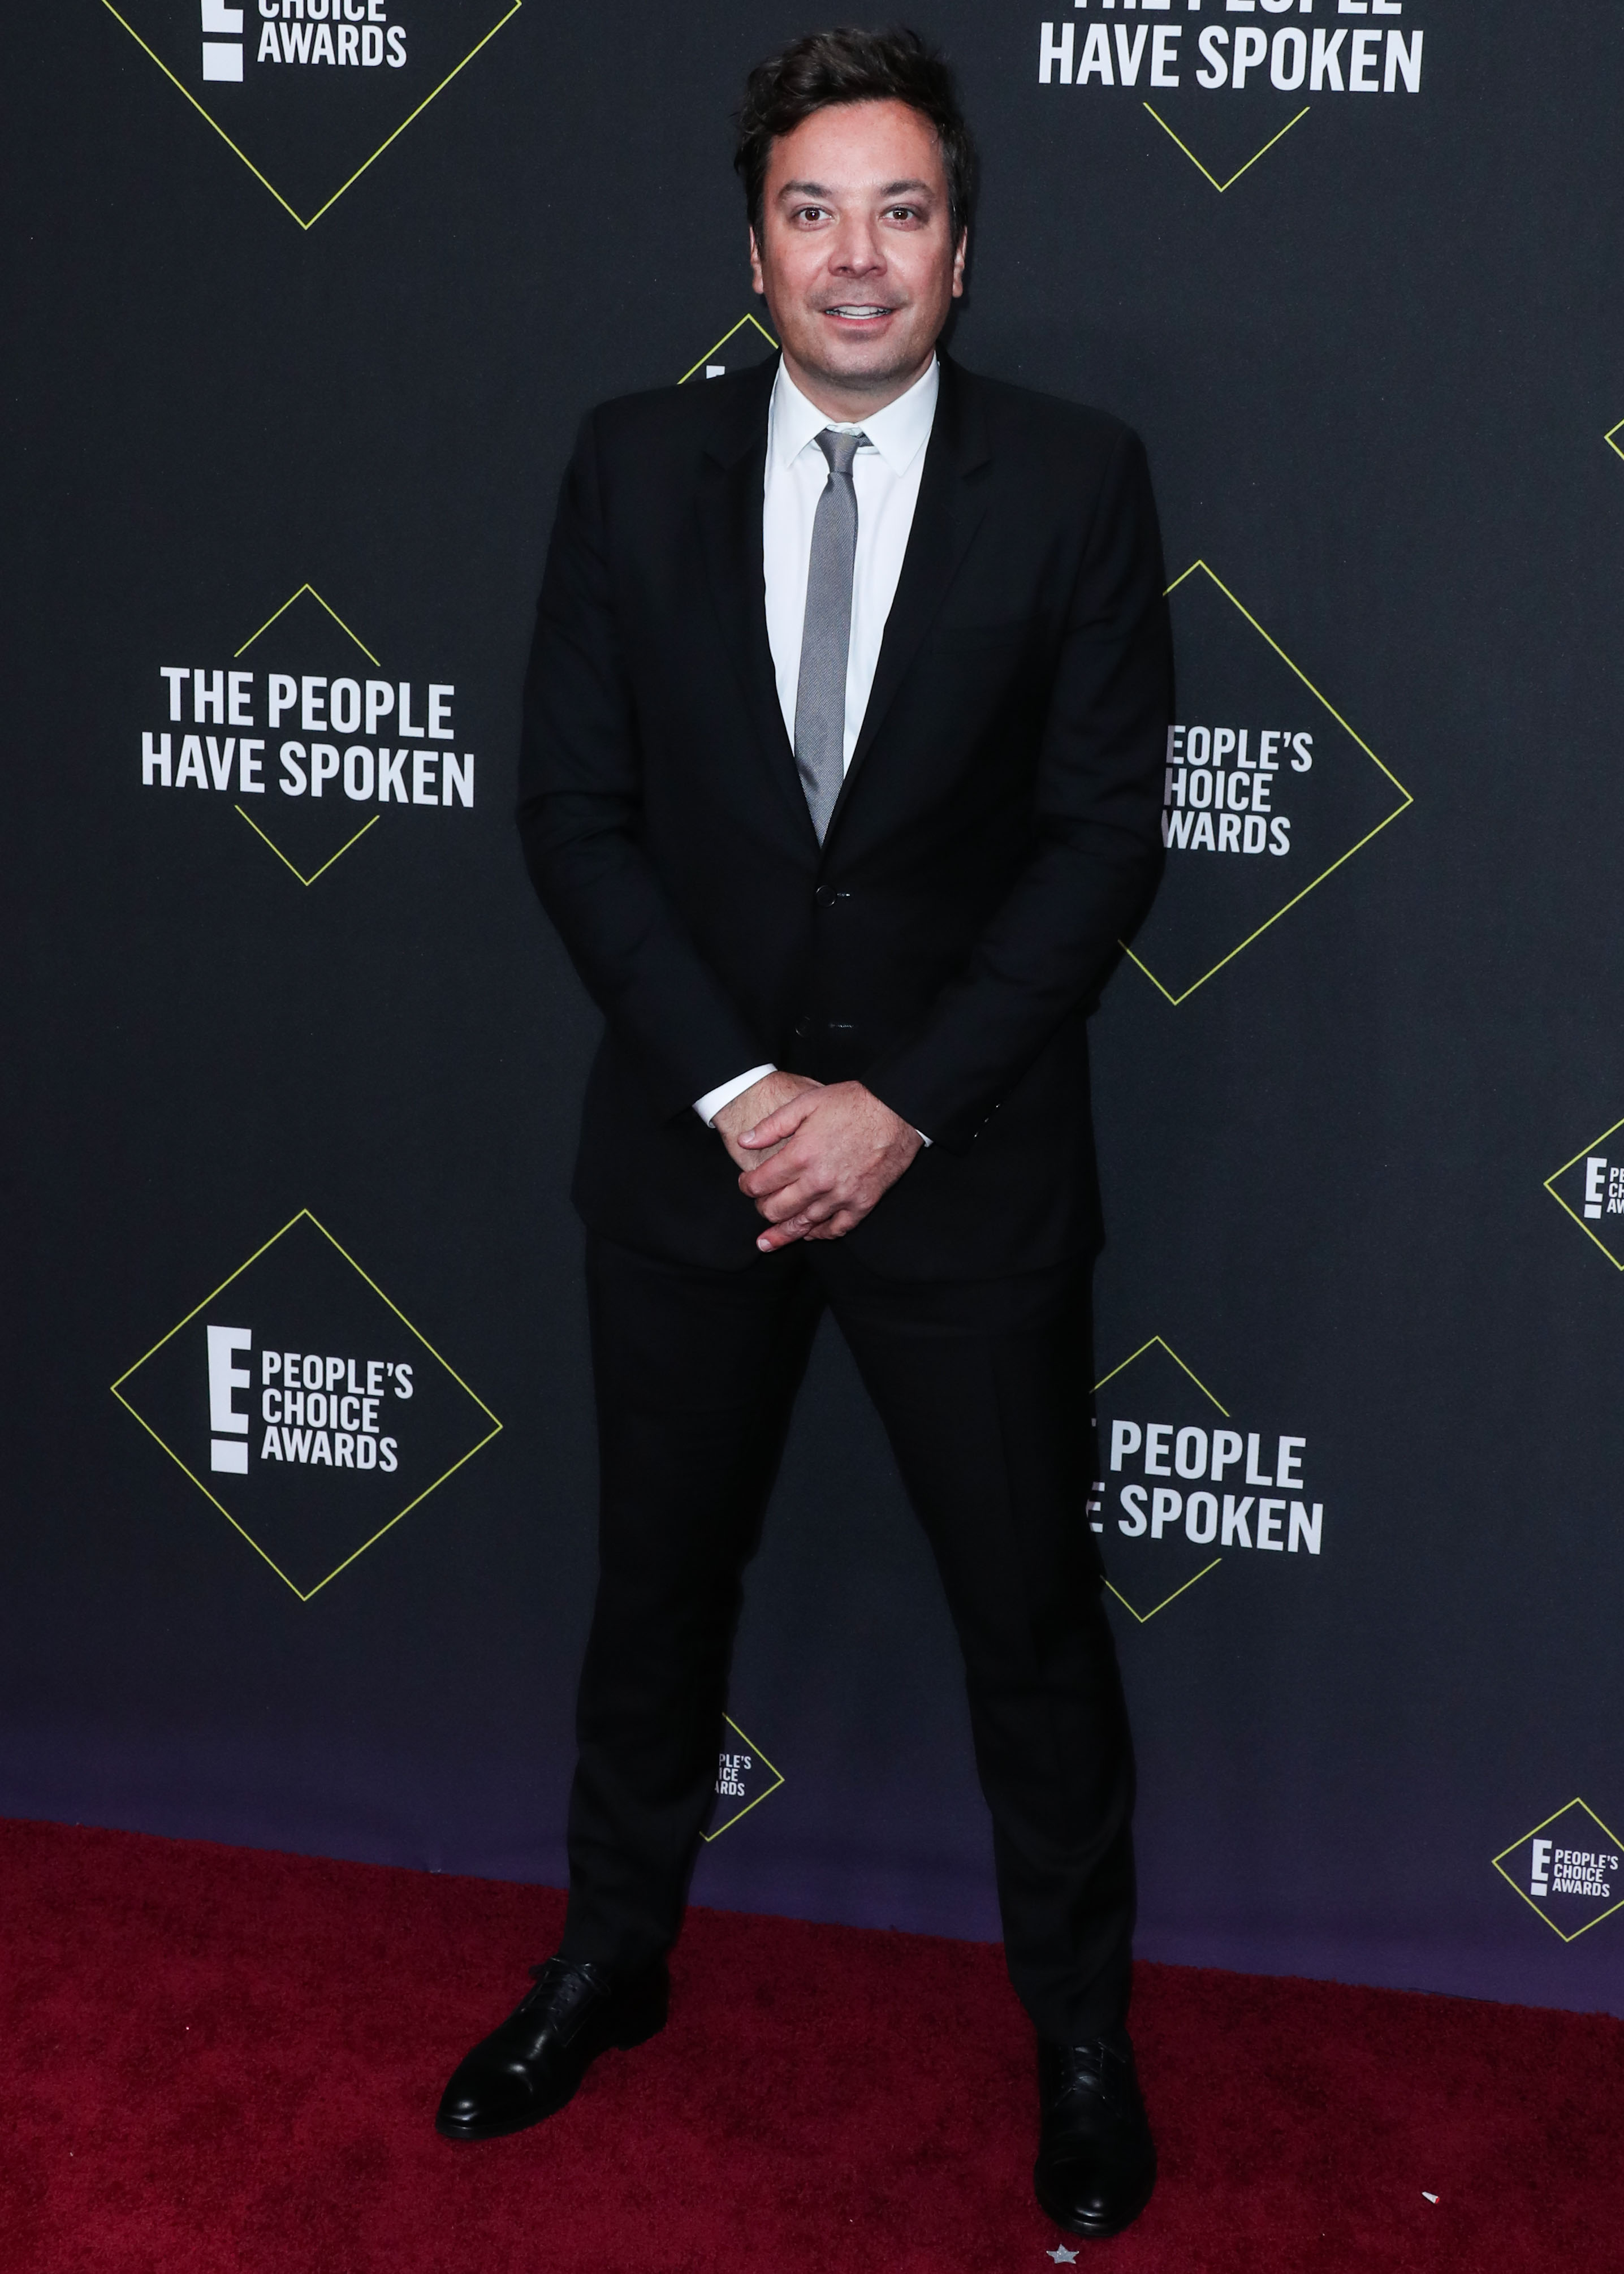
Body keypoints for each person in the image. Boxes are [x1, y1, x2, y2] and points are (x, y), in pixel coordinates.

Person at [436, 25, 1172, 2243]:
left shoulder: (1076, 476)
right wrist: (753, 1096)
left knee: (1030, 1624)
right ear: (748, 244)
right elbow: (570, 812)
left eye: (903, 210)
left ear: (964, 247)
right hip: (689, 1161)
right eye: (811, 209)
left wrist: (898, 1110)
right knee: (655, 1592)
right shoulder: (624, 465)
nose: (857, 256)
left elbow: (1096, 840)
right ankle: (607, 1955)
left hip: (965, 1172)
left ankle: (1076, 2032)